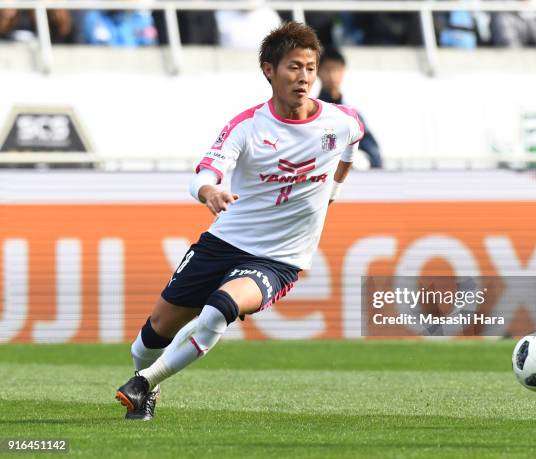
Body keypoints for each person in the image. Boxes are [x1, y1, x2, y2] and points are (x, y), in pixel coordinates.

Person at [115, 21, 363, 421]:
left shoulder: (341, 121)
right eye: (293, 67)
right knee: (148, 339)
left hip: (280, 258)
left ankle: (145, 383)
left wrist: (332, 192)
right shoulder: (247, 127)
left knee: (219, 309)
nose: (303, 78)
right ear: (269, 70)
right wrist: (209, 191)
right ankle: (147, 376)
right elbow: (204, 173)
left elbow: (352, 146)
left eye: (310, 68)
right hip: (224, 242)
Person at [317, 48, 382, 168]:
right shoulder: (311, 113)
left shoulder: (353, 116)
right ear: (317, 72)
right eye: (327, 70)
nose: (332, 75)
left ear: (343, 71)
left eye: (336, 69)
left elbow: (374, 155)